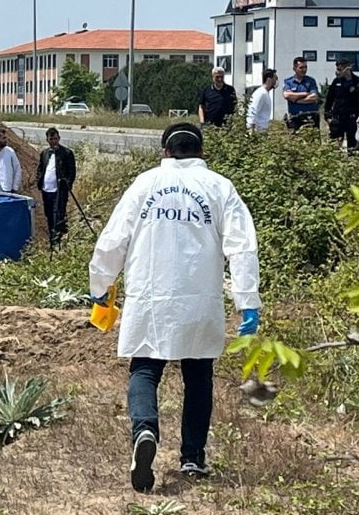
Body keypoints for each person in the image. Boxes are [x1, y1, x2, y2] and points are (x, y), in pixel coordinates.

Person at [87, 122, 262, 491]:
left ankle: (146, 430)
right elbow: (242, 247)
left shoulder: (145, 184)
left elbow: (113, 239)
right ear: (201, 153)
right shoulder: (219, 187)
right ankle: (193, 458)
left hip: (151, 296)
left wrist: (100, 285)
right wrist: (248, 302)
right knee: (198, 375)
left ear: (165, 152)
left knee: (145, 369)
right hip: (199, 298)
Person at [36, 127, 76, 248]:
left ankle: (57, 240)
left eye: (56, 138)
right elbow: (40, 169)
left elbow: (72, 172)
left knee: (58, 214)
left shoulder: (66, 153)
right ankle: (52, 239)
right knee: (49, 215)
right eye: (51, 139)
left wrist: (66, 184)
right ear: (47, 139)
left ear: (59, 138)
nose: (54, 141)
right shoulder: (45, 153)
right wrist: (39, 180)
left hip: (59, 191)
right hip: (46, 190)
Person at [325, 58, 359, 149]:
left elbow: (358, 96)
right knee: (335, 145)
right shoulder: (336, 82)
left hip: (352, 118)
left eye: (340, 69)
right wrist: (327, 116)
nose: (338, 72)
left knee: (353, 147)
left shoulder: (357, 81)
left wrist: (349, 79)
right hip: (338, 118)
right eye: (338, 69)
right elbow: (329, 99)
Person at [282, 56, 320, 130]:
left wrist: (296, 100)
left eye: (305, 67)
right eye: (301, 67)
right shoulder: (289, 82)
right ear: (294, 69)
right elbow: (287, 95)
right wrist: (305, 94)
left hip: (310, 117)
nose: (304, 70)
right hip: (295, 117)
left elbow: (314, 97)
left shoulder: (311, 81)